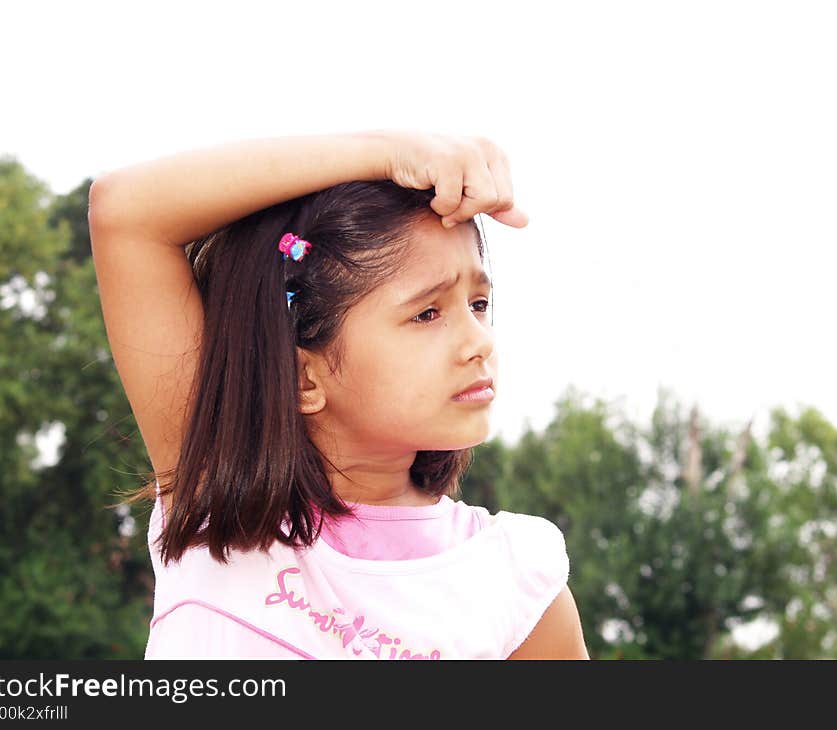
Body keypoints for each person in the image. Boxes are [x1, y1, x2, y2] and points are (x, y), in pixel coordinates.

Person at [88, 130, 590, 660]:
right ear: (303, 378)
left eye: (480, 303)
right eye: (427, 313)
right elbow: (125, 213)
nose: (479, 342)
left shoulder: (517, 581)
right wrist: (388, 152)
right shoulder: (219, 507)